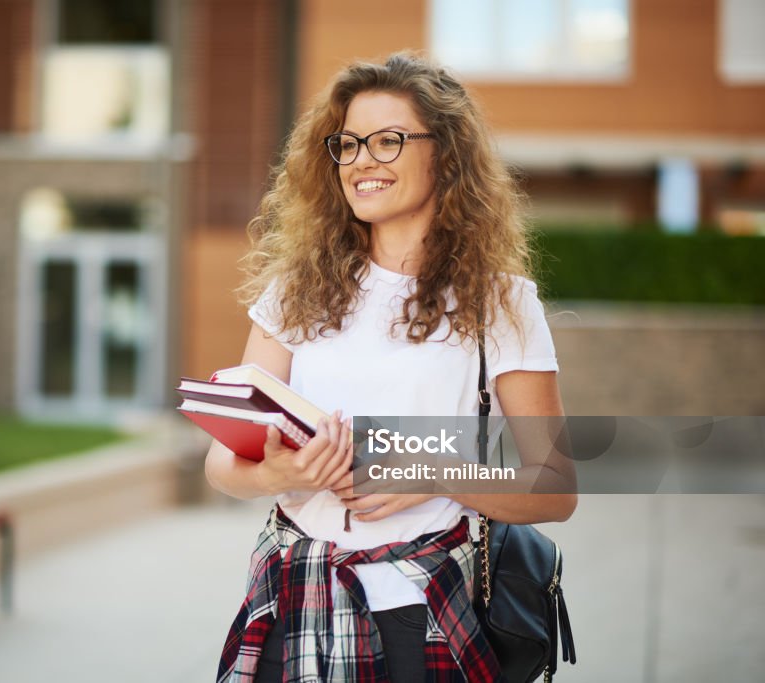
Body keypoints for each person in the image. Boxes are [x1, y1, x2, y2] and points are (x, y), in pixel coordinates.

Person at [206, 51, 578, 683]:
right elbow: (222, 466)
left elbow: (555, 487)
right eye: (347, 144)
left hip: (424, 612)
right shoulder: (295, 291)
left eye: (388, 140)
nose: (361, 161)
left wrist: (435, 472)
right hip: (293, 600)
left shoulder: (503, 303)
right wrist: (281, 471)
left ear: (447, 156)